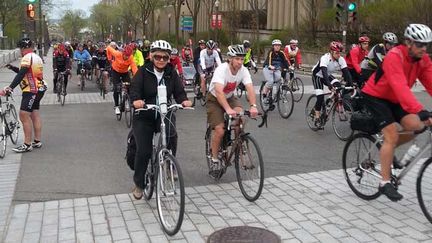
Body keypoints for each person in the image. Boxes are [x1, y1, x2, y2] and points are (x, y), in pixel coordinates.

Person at [361, 24, 432, 201]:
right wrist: (420, 110)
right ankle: (384, 183)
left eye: (426, 45)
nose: (424, 49)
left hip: (395, 98)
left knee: (417, 126)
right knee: (391, 135)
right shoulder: (394, 55)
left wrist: (421, 115)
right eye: (419, 44)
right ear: (408, 42)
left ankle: (388, 150)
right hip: (376, 95)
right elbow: (400, 86)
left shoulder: (423, 60)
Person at [129, 40, 192, 199]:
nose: (161, 60)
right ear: (151, 56)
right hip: (144, 114)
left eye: (165, 57)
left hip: (164, 112)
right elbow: (134, 90)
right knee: (144, 151)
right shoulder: (143, 72)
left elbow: (179, 91)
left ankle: (169, 163)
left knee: (172, 135)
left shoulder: (172, 73)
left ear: (169, 58)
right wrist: (136, 101)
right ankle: (139, 184)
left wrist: (183, 100)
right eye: (157, 56)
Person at [206, 44, 258, 177]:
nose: (240, 62)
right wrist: (228, 109)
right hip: (214, 99)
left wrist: (253, 106)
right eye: (237, 59)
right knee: (219, 130)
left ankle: (238, 143)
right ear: (230, 59)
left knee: (241, 116)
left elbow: (250, 87)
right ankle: (215, 157)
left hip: (230, 97)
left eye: (242, 59)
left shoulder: (243, 70)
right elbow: (218, 91)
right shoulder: (222, 70)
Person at [2, 38, 47, 152]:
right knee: (34, 114)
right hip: (40, 88)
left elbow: (22, 73)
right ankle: (37, 141)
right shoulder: (36, 57)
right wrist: (12, 68)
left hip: (31, 90)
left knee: (23, 115)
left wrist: (10, 87)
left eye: (20, 49)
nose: (20, 51)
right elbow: (27, 72)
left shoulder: (26, 58)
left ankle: (27, 144)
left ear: (23, 48)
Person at [311, 41, 353, 127]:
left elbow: (346, 73)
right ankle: (317, 115)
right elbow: (324, 73)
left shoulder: (341, 59)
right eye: (337, 52)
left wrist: (351, 84)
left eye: (340, 52)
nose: (339, 55)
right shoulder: (325, 58)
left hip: (328, 75)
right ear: (331, 52)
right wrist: (329, 85)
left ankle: (330, 100)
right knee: (320, 97)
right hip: (318, 76)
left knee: (338, 86)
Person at [106, 43, 138, 115]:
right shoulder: (117, 54)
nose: (126, 57)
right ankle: (117, 106)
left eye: (128, 56)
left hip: (124, 72)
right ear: (123, 53)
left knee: (130, 87)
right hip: (115, 71)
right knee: (116, 88)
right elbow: (108, 48)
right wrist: (109, 59)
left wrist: (137, 78)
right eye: (125, 55)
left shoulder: (131, 58)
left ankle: (127, 101)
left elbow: (134, 69)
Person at [262, 39, 289, 105]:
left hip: (276, 69)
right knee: (270, 82)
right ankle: (264, 95)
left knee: (280, 79)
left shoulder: (282, 53)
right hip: (268, 68)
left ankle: (277, 95)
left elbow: (285, 61)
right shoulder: (271, 52)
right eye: (276, 45)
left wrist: (289, 67)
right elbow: (269, 60)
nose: (277, 47)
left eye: (279, 45)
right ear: (273, 46)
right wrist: (270, 66)